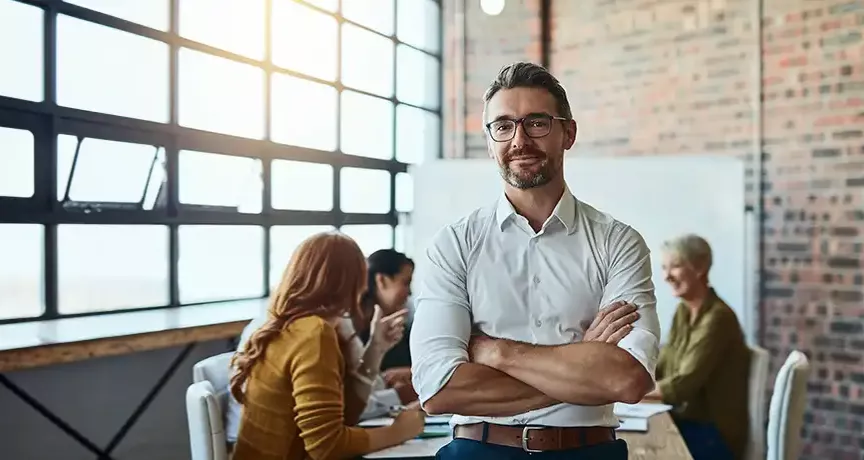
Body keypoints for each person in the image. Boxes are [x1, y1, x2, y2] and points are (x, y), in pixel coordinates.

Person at [409, 61, 661, 459]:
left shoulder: (618, 243)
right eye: (504, 126)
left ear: (568, 133)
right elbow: (438, 390)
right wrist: (581, 358)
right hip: (478, 451)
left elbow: (627, 380)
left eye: (537, 123)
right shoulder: (455, 244)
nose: (519, 140)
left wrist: (497, 352)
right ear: (490, 140)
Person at [229, 231, 424, 460]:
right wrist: (398, 432)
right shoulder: (315, 334)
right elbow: (326, 447)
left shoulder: (292, 325)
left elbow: (342, 418)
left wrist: (375, 349)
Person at [644, 234, 749, 460]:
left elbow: (683, 385)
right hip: (687, 422)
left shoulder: (718, 318)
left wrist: (625, 392)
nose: (666, 276)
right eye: (664, 267)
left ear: (700, 267)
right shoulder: (683, 311)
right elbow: (663, 364)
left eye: (675, 266)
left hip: (713, 435)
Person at [351, 249, 419, 414]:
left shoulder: (402, 329)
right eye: (405, 282)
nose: (409, 293)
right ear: (381, 280)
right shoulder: (351, 332)